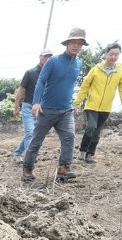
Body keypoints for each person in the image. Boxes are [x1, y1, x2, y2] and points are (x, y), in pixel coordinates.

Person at [22, 28, 86, 183]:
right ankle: (27, 169)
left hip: (66, 109)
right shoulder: (53, 61)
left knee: (69, 137)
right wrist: (36, 102)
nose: (76, 46)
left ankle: (64, 169)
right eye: (73, 42)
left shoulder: (79, 63)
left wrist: (75, 103)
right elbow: (41, 81)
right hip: (47, 109)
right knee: (36, 140)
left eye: (79, 43)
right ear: (67, 43)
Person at [73, 43, 122, 164]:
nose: (113, 57)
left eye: (116, 54)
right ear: (105, 54)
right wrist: (77, 102)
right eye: (111, 54)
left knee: (97, 131)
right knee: (91, 127)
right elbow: (85, 86)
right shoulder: (96, 69)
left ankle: (90, 155)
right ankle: (82, 151)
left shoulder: (120, 71)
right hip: (92, 105)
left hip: (105, 107)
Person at [12, 49, 54, 164]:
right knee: (30, 133)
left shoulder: (51, 74)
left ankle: (18, 153)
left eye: (50, 57)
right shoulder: (30, 73)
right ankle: (29, 159)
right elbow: (21, 91)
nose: (47, 59)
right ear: (40, 57)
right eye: (45, 56)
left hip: (42, 109)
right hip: (28, 107)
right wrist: (16, 107)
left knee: (32, 134)